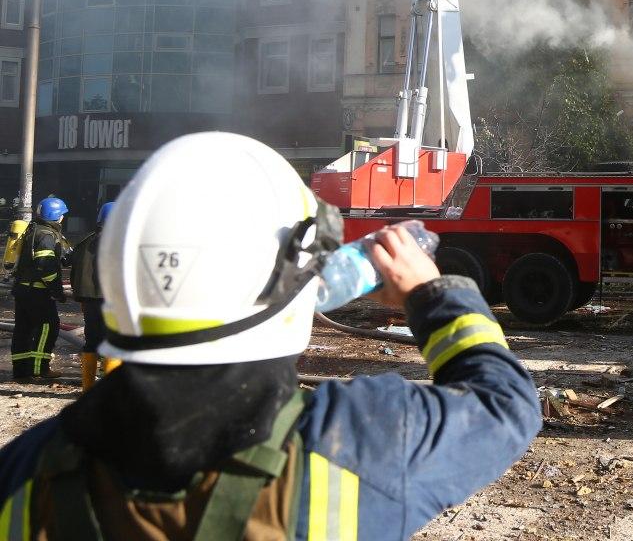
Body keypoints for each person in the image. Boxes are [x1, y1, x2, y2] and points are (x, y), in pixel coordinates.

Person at [0, 133, 540, 538]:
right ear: (295, 279)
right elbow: (505, 406)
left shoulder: (26, 472)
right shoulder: (362, 442)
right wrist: (432, 293)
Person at [10, 197, 70, 382]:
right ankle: (40, 368)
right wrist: (56, 290)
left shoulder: (33, 230)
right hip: (37, 291)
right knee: (48, 326)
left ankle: (21, 371)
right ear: (57, 216)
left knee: (23, 329)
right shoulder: (46, 235)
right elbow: (45, 266)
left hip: (22, 289)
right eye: (62, 215)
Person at [69, 202, 115, 391]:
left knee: (91, 342)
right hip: (112, 302)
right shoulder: (120, 242)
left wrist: (80, 298)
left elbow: (74, 272)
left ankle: (87, 388)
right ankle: (111, 389)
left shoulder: (84, 241)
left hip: (88, 300)